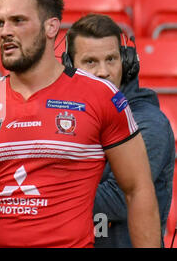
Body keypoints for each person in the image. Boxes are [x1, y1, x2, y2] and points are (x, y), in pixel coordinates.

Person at [0, 0, 161, 248]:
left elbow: (138, 190)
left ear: (51, 27)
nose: (5, 31)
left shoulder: (101, 96)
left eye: (18, 21)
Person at [61, 13, 175, 247]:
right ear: (69, 67)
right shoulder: (69, 116)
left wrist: (49, 191)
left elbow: (119, 199)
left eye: (111, 59)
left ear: (126, 61)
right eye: (90, 61)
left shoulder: (149, 123)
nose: (104, 71)